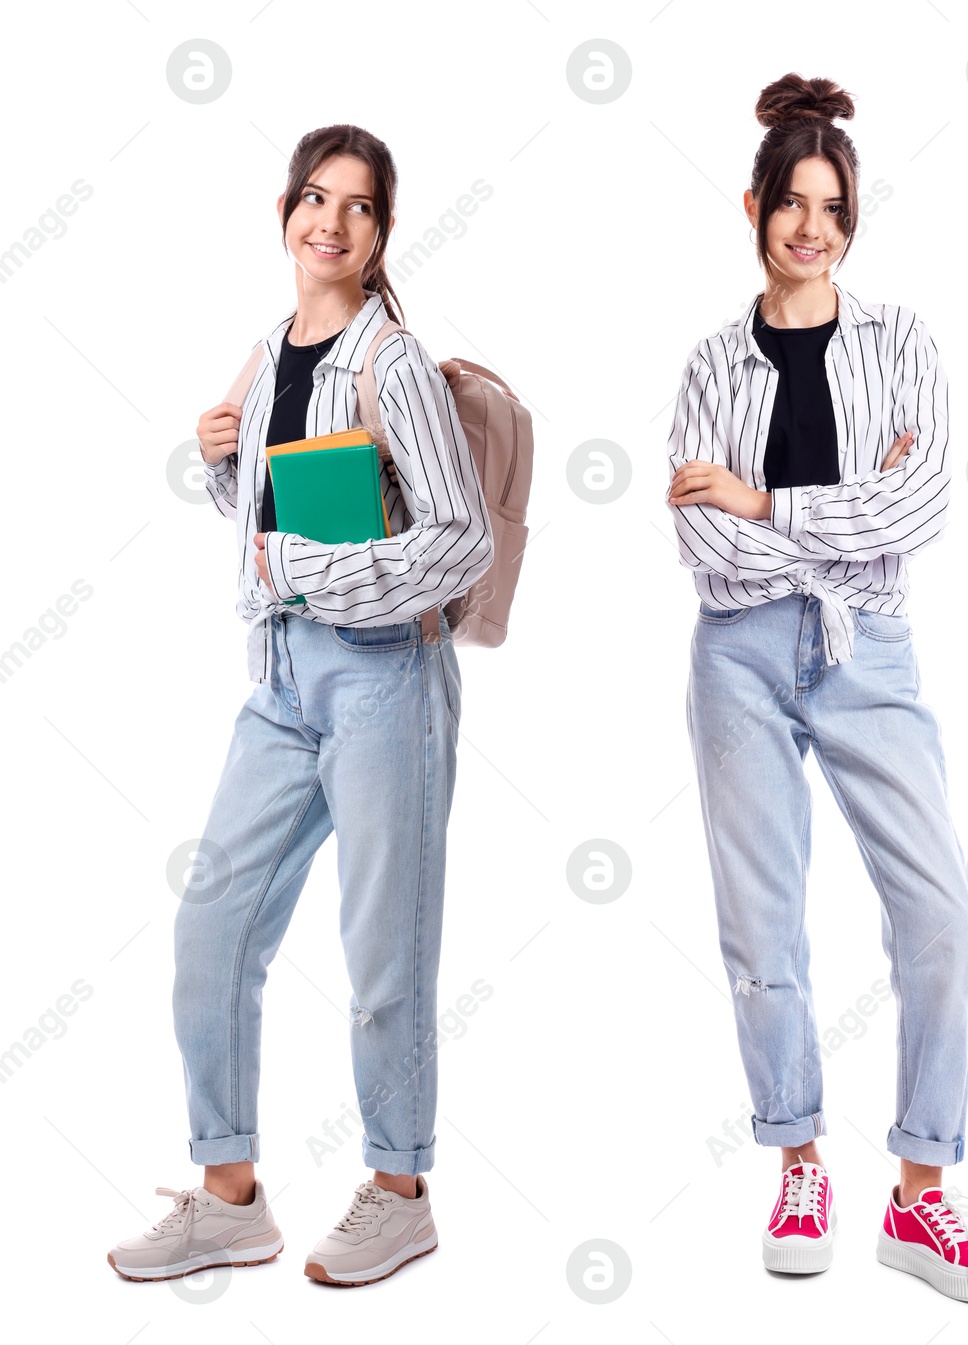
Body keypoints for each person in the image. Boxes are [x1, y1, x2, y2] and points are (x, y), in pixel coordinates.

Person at [108, 124, 491, 1288]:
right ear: (286, 210)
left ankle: (399, 1189)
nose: (329, 221)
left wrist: (305, 569)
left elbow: (460, 539)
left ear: (381, 235)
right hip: (280, 683)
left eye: (357, 206)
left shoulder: (395, 363)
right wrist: (226, 465)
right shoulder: (271, 349)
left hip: (385, 677)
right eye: (314, 198)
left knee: (383, 958)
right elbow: (271, 527)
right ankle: (230, 1200)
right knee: (211, 929)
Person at [665, 72, 968, 1304]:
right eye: (792, 203)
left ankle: (920, 1195)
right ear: (754, 205)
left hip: (868, 650)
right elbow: (702, 547)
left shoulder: (902, 340)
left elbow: (921, 507)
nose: (811, 226)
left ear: (851, 219)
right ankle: (797, 1156)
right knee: (763, 929)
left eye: (833, 207)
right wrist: (828, 521)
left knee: (939, 915)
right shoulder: (711, 360)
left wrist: (760, 500)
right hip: (739, 655)